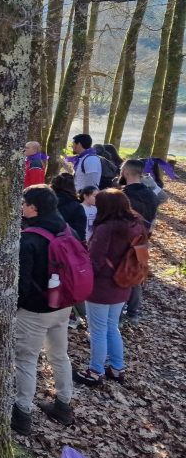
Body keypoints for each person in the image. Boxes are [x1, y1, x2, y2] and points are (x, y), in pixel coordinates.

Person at [11, 185, 75, 437]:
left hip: (36, 310)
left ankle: (22, 414)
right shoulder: (65, 228)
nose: (21, 206)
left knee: (26, 360)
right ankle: (63, 404)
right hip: (63, 304)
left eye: (24, 202)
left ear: (33, 208)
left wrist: (15, 308)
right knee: (60, 355)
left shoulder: (29, 239)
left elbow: (22, 285)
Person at [74, 189, 147, 386]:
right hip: (124, 282)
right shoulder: (136, 224)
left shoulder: (106, 228)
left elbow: (95, 261)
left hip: (102, 285)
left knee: (97, 329)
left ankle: (95, 370)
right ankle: (116, 367)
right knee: (112, 326)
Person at [119, 159, 159, 326]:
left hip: (123, 238)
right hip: (143, 239)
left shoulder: (121, 195)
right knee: (136, 274)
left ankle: (119, 313)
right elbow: (154, 218)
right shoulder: (152, 194)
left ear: (126, 172)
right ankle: (133, 312)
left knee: (120, 273)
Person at [50, 173, 87, 242]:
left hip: (45, 243)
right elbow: (80, 233)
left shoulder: (45, 203)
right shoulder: (76, 206)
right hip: (67, 246)